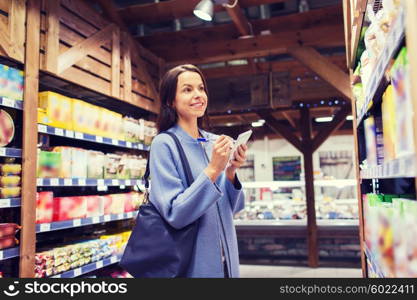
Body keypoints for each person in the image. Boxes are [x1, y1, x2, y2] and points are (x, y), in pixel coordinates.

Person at [148, 64, 247, 278]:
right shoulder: (164, 144)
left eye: (201, 88)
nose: (198, 95)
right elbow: (175, 213)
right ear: (170, 101)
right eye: (187, 89)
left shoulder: (215, 142)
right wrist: (213, 170)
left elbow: (235, 208)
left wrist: (230, 173)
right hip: (193, 266)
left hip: (227, 264)